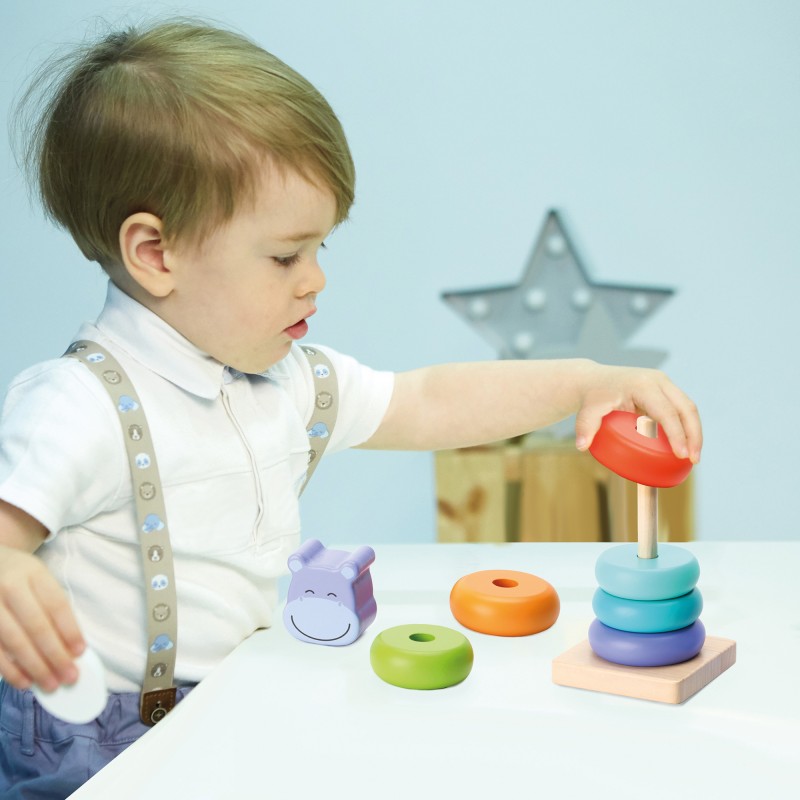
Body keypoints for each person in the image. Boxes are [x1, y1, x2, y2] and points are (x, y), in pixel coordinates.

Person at [0, 18, 702, 797]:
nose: (316, 279)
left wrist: (581, 381)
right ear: (156, 254)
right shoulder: (81, 403)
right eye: (284, 255)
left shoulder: (286, 380)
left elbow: (430, 401)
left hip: (229, 704)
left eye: (320, 249)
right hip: (94, 742)